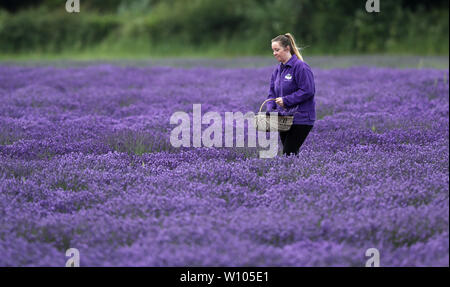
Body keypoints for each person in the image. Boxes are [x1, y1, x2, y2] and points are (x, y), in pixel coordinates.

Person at [266, 33, 316, 156]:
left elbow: (308, 90)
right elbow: (272, 92)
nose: (274, 53)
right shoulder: (278, 70)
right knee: (291, 155)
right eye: (273, 50)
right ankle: (297, 174)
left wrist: (286, 100)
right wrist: (270, 110)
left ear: (287, 48)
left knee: (289, 152)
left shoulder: (301, 67)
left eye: (277, 50)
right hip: (283, 119)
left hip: (301, 118)